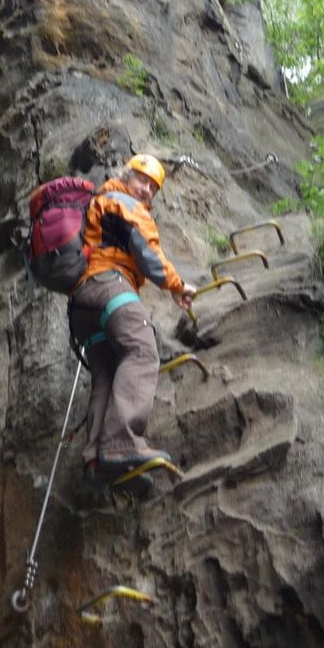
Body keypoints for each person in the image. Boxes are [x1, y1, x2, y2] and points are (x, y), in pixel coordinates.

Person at [67, 154, 196, 490]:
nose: (147, 190)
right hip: (109, 286)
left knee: (107, 374)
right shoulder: (123, 202)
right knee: (142, 351)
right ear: (126, 175)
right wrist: (177, 285)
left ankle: (96, 462)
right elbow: (147, 253)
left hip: (82, 304)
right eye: (143, 180)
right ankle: (121, 442)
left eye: (154, 188)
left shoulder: (98, 202)